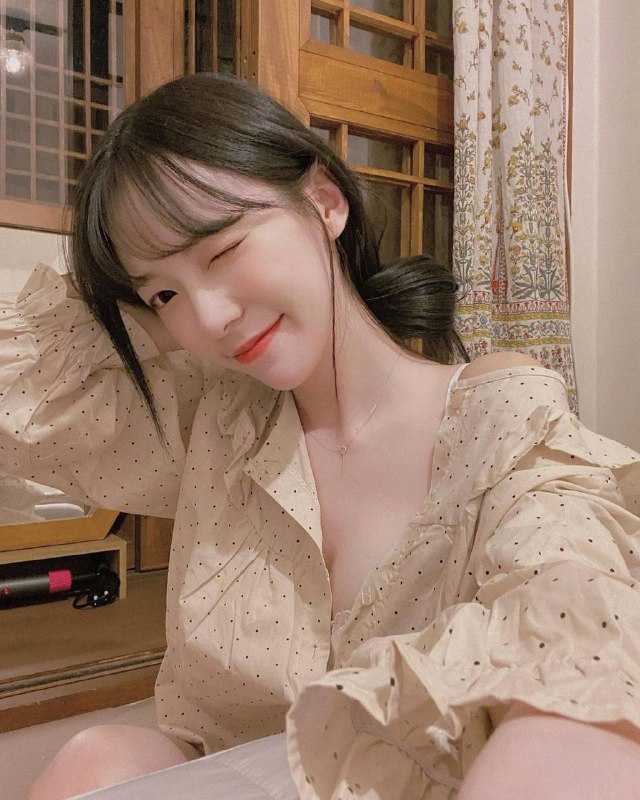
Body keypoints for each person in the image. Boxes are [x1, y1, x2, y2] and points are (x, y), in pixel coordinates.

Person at [1, 72, 639, 800]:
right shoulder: (213, 423)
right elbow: (16, 395)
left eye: (222, 251)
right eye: (164, 293)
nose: (209, 319)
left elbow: (578, 626)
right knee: (99, 754)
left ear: (325, 202)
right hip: (232, 781)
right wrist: (143, 309)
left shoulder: (500, 419)